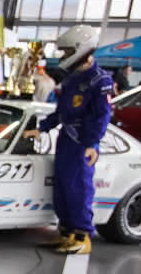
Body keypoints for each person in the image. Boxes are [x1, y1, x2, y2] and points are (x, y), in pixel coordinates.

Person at [32, 24, 113, 255]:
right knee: (62, 188)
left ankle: (82, 236)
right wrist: (43, 128)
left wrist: (92, 144)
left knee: (78, 188)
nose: (65, 56)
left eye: (68, 52)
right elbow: (60, 113)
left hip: (82, 143)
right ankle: (66, 233)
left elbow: (101, 116)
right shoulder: (70, 81)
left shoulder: (100, 81)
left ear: (81, 49)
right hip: (66, 140)